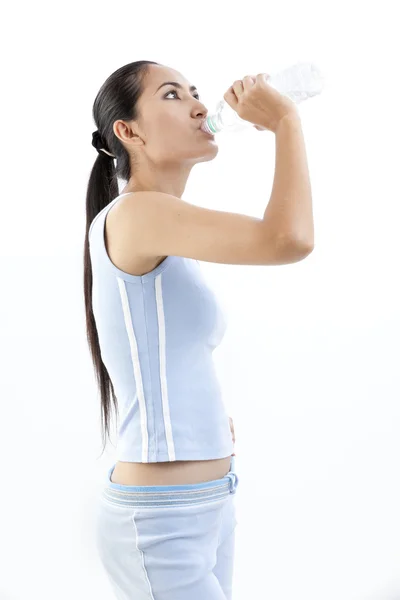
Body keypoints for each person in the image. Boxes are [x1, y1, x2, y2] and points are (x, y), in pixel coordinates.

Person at [84, 60, 313, 599]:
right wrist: (286, 124)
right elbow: (289, 240)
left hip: (208, 501)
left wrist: (204, 418)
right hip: (162, 522)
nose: (199, 106)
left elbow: (164, 347)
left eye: (195, 92)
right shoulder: (138, 215)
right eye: (171, 94)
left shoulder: (161, 221)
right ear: (129, 132)